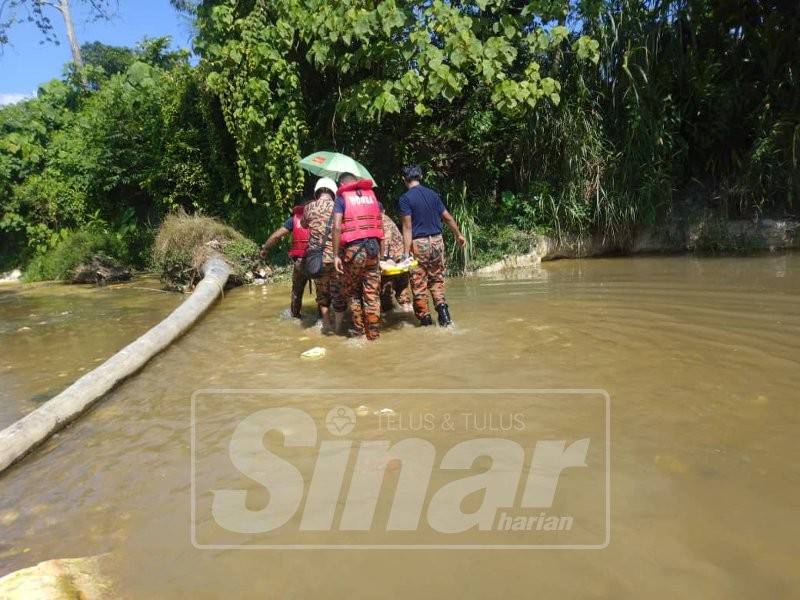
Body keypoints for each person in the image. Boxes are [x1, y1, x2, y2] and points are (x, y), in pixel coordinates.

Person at [398, 164, 465, 327]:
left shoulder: (405, 199)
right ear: (420, 177)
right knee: (436, 280)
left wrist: (406, 255)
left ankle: (426, 322)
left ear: (404, 179)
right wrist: (458, 235)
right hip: (437, 241)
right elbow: (447, 217)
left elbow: (407, 228)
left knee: (419, 283)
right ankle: (445, 317)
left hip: (419, 244)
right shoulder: (433, 195)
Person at [332, 172, 384, 340]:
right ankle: (374, 335)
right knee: (372, 294)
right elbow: (380, 225)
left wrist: (335, 255)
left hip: (354, 251)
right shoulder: (371, 196)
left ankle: (360, 333)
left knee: (352, 291)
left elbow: (337, 227)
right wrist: (381, 255)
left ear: (341, 185)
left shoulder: (342, 198)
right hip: (373, 250)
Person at [301, 177, 340, 331]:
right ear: (333, 192)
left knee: (322, 294)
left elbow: (303, 224)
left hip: (316, 258)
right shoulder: (339, 206)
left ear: (317, 192)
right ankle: (338, 327)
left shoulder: (309, 207)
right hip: (335, 257)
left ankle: (326, 323)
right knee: (338, 292)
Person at [260, 200, 310, 319]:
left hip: (300, 262)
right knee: (323, 293)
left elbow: (277, 235)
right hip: (318, 260)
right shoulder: (321, 217)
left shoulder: (293, 219)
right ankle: (324, 320)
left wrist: (265, 249)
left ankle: (295, 316)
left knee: (297, 292)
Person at [379, 213, 412, 313]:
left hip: (395, 261)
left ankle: (391, 319)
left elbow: (386, 240)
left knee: (387, 294)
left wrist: (383, 259)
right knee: (402, 293)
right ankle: (408, 317)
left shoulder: (382, 220)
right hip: (401, 260)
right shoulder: (385, 218)